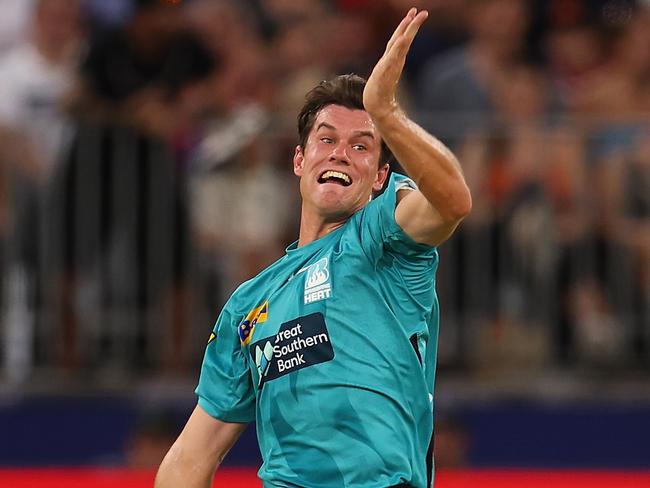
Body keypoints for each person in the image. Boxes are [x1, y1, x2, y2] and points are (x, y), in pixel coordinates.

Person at [155, 7, 471, 488]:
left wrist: (386, 113)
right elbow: (189, 458)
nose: (341, 152)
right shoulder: (249, 302)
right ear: (300, 161)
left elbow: (452, 200)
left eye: (362, 146)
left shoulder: (383, 233)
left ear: (380, 177)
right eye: (327, 140)